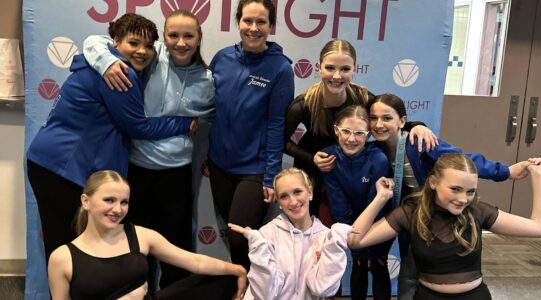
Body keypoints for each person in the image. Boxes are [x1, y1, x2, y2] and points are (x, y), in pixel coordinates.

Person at [26, 13, 193, 264]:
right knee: (67, 252)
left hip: (53, 163)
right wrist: (184, 122)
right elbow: (138, 125)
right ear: (115, 42)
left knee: (68, 248)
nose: (142, 51)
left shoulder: (101, 61)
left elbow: (98, 42)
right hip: (61, 168)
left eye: (148, 46)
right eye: (134, 43)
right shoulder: (119, 72)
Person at [82, 9, 214, 287]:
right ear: (163, 38)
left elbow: (219, 115)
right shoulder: (151, 56)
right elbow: (95, 41)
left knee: (175, 249)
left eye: (188, 36)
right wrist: (106, 62)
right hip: (136, 170)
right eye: (173, 35)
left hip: (176, 174)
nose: (181, 43)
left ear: (199, 38)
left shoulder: (207, 78)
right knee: (133, 246)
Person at [366, 93, 533, 299]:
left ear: (401, 121)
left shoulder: (417, 141)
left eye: (386, 118)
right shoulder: (373, 150)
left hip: (437, 216)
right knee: (406, 273)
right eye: (373, 118)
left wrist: (506, 172)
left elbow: (461, 161)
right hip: (408, 217)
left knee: (433, 272)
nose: (379, 124)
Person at [348, 153, 541, 299]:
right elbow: (355, 240)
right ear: (434, 183)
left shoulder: (477, 211)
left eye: (470, 191)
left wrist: (539, 175)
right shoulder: (411, 212)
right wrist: (381, 198)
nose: (463, 199)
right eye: (455, 189)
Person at [284, 39, 437, 219]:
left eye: (345, 69)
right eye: (330, 68)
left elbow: (389, 117)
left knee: (355, 219)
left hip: (350, 170)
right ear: (319, 67)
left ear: (354, 69)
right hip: (312, 169)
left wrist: (417, 125)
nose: (337, 76)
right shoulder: (303, 105)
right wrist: (312, 159)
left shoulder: (363, 98)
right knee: (309, 223)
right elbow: (278, 142)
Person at [47, 170, 247, 300]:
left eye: (124, 202)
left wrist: (237, 269)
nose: (117, 209)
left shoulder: (141, 236)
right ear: (85, 201)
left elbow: (194, 262)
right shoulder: (62, 258)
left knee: (222, 280)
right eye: (109, 200)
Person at [207, 0, 294, 270]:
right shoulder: (222, 58)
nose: (253, 28)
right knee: (233, 235)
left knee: (238, 237)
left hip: (255, 169)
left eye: (261, 22)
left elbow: (277, 123)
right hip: (219, 164)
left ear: (271, 26)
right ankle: (241, 286)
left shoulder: (280, 68)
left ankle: (252, 288)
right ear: (238, 22)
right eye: (247, 21)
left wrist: (271, 174)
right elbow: (206, 100)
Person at [228, 167, 353, 300]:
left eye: (297, 192)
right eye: (284, 196)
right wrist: (258, 247)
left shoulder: (327, 237)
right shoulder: (266, 234)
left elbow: (323, 288)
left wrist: (335, 245)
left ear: (310, 192)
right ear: (279, 202)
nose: (293, 202)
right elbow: (266, 293)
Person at [321, 105, 393, 300]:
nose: (351, 139)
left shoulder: (378, 159)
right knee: (359, 262)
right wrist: (351, 231)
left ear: (368, 135)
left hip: (377, 219)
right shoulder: (328, 157)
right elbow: (337, 202)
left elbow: (375, 204)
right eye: (345, 131)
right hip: (350, 222)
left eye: (359, 133)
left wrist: (362, 231)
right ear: (336, 130)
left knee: (378, 262)